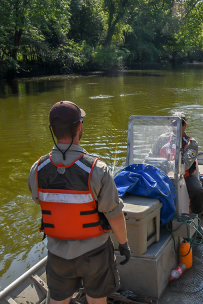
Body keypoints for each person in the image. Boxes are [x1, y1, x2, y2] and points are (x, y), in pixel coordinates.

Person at [28, 101, 131, 304]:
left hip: (57, 253)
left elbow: (40, 200)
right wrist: (124, 244)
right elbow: (115, 215)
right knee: (96, 300)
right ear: (79, 127)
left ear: (53, 130)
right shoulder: (97, 169)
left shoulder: (37, 169)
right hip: (95, 253)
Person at [147, 112, 203, 233]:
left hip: (184, 176)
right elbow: (151, 156)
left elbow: (186, 164)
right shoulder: (162, 138)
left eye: (181, 123)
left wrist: (165, 164)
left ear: (185, 125)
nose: (177, 126)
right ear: (170, 124)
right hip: (161, 174)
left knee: (198, 191)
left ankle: (196, 220)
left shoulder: (191, 143)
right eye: (174, 123)